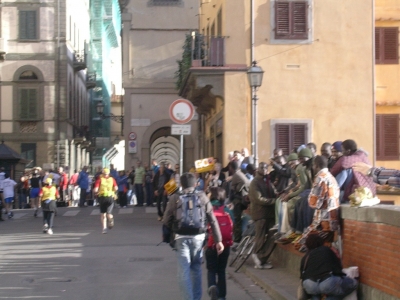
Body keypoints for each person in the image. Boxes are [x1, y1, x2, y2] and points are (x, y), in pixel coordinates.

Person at [163, 172, 224, 300]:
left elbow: (166, 219)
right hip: (199, 237)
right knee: (196, 269)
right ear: (195, 183)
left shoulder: (175, 198)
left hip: (181, 237)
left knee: (183, 271)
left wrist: (169, 234)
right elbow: (212, 219)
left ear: (181, 184)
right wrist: (218, 240)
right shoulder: (202, 196)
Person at [294, 155, 340, 252]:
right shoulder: (332, 178)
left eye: (313, 165)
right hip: (333, 221)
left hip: (322, 222)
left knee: (300, 244)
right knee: (325, 246)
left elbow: (314, 203)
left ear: (316, 165)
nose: (312, 168)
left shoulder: (320, 178)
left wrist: (309, 198)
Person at [300, 234, 358, 299]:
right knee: (354, 284)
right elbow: (337, 267)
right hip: (327, 281)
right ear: (320, 242)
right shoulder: (326, 250)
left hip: (309, 284)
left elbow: (302, 274)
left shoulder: (306, 257)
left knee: (315, 293)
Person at [205, 187, 232, 300]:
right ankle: (222, 296)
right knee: (221, 270)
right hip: (225, 243)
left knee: (211, 270)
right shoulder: (227, 210)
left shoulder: (207, 208)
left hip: (211, 244)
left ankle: (212, 287)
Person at [249, 162, 276, 269]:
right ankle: (257, 256)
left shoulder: (267, 181)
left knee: (274, 235)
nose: (264, 169)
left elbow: (274, 192)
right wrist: (273, 201)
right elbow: (258, 198)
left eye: (266, 167)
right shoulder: (255, 182)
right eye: (262, 167)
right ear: (258, 169)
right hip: (260, 213)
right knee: (260, 237)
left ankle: (262, 258)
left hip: (269, 214)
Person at [229, 160, 250, 246]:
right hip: (241, 199)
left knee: (237, 220)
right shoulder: (239, 174)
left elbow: (245, 183)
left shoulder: (236, 175)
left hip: (239, 201)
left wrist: (238, 188)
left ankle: (237, 240)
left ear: (231, 168)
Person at [93, 168, 118, 234]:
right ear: (109, 174)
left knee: (103, 214)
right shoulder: (112, 179)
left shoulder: (99, 180)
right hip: (110, 197)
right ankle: (111, 219)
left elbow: (95, 189)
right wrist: (113, 191)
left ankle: (104, 229)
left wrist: (96, 192)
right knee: (109, 213)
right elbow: (116, 188)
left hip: (102, 198)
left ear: (102, 173)